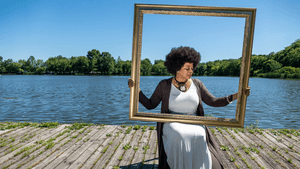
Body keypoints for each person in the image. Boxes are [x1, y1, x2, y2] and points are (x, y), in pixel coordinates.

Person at [128, 46, 250, 169]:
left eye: (192, 68)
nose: (191, 71)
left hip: (195, 121)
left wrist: (237, 96)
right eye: (187, 68)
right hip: (172, 121)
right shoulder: (164, 85)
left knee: (200, 134)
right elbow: (150, 105)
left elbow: (213, 101)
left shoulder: (197, 84)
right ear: (177, 68)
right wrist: (135, 90)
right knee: (179, 134)